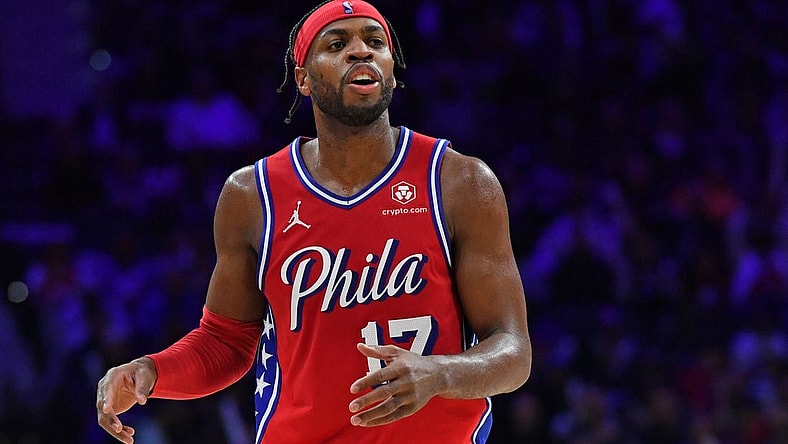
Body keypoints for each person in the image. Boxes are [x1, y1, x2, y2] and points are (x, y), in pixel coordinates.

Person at [96, 1, 532, 443]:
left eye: (374, 41)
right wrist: (150, 371)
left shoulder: (459, 182)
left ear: (393, 72)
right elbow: (226, 342)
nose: (360, 51)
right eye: (338, 44)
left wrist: (439, 373)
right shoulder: (253, 195)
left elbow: (513, 352)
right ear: (303, 78)